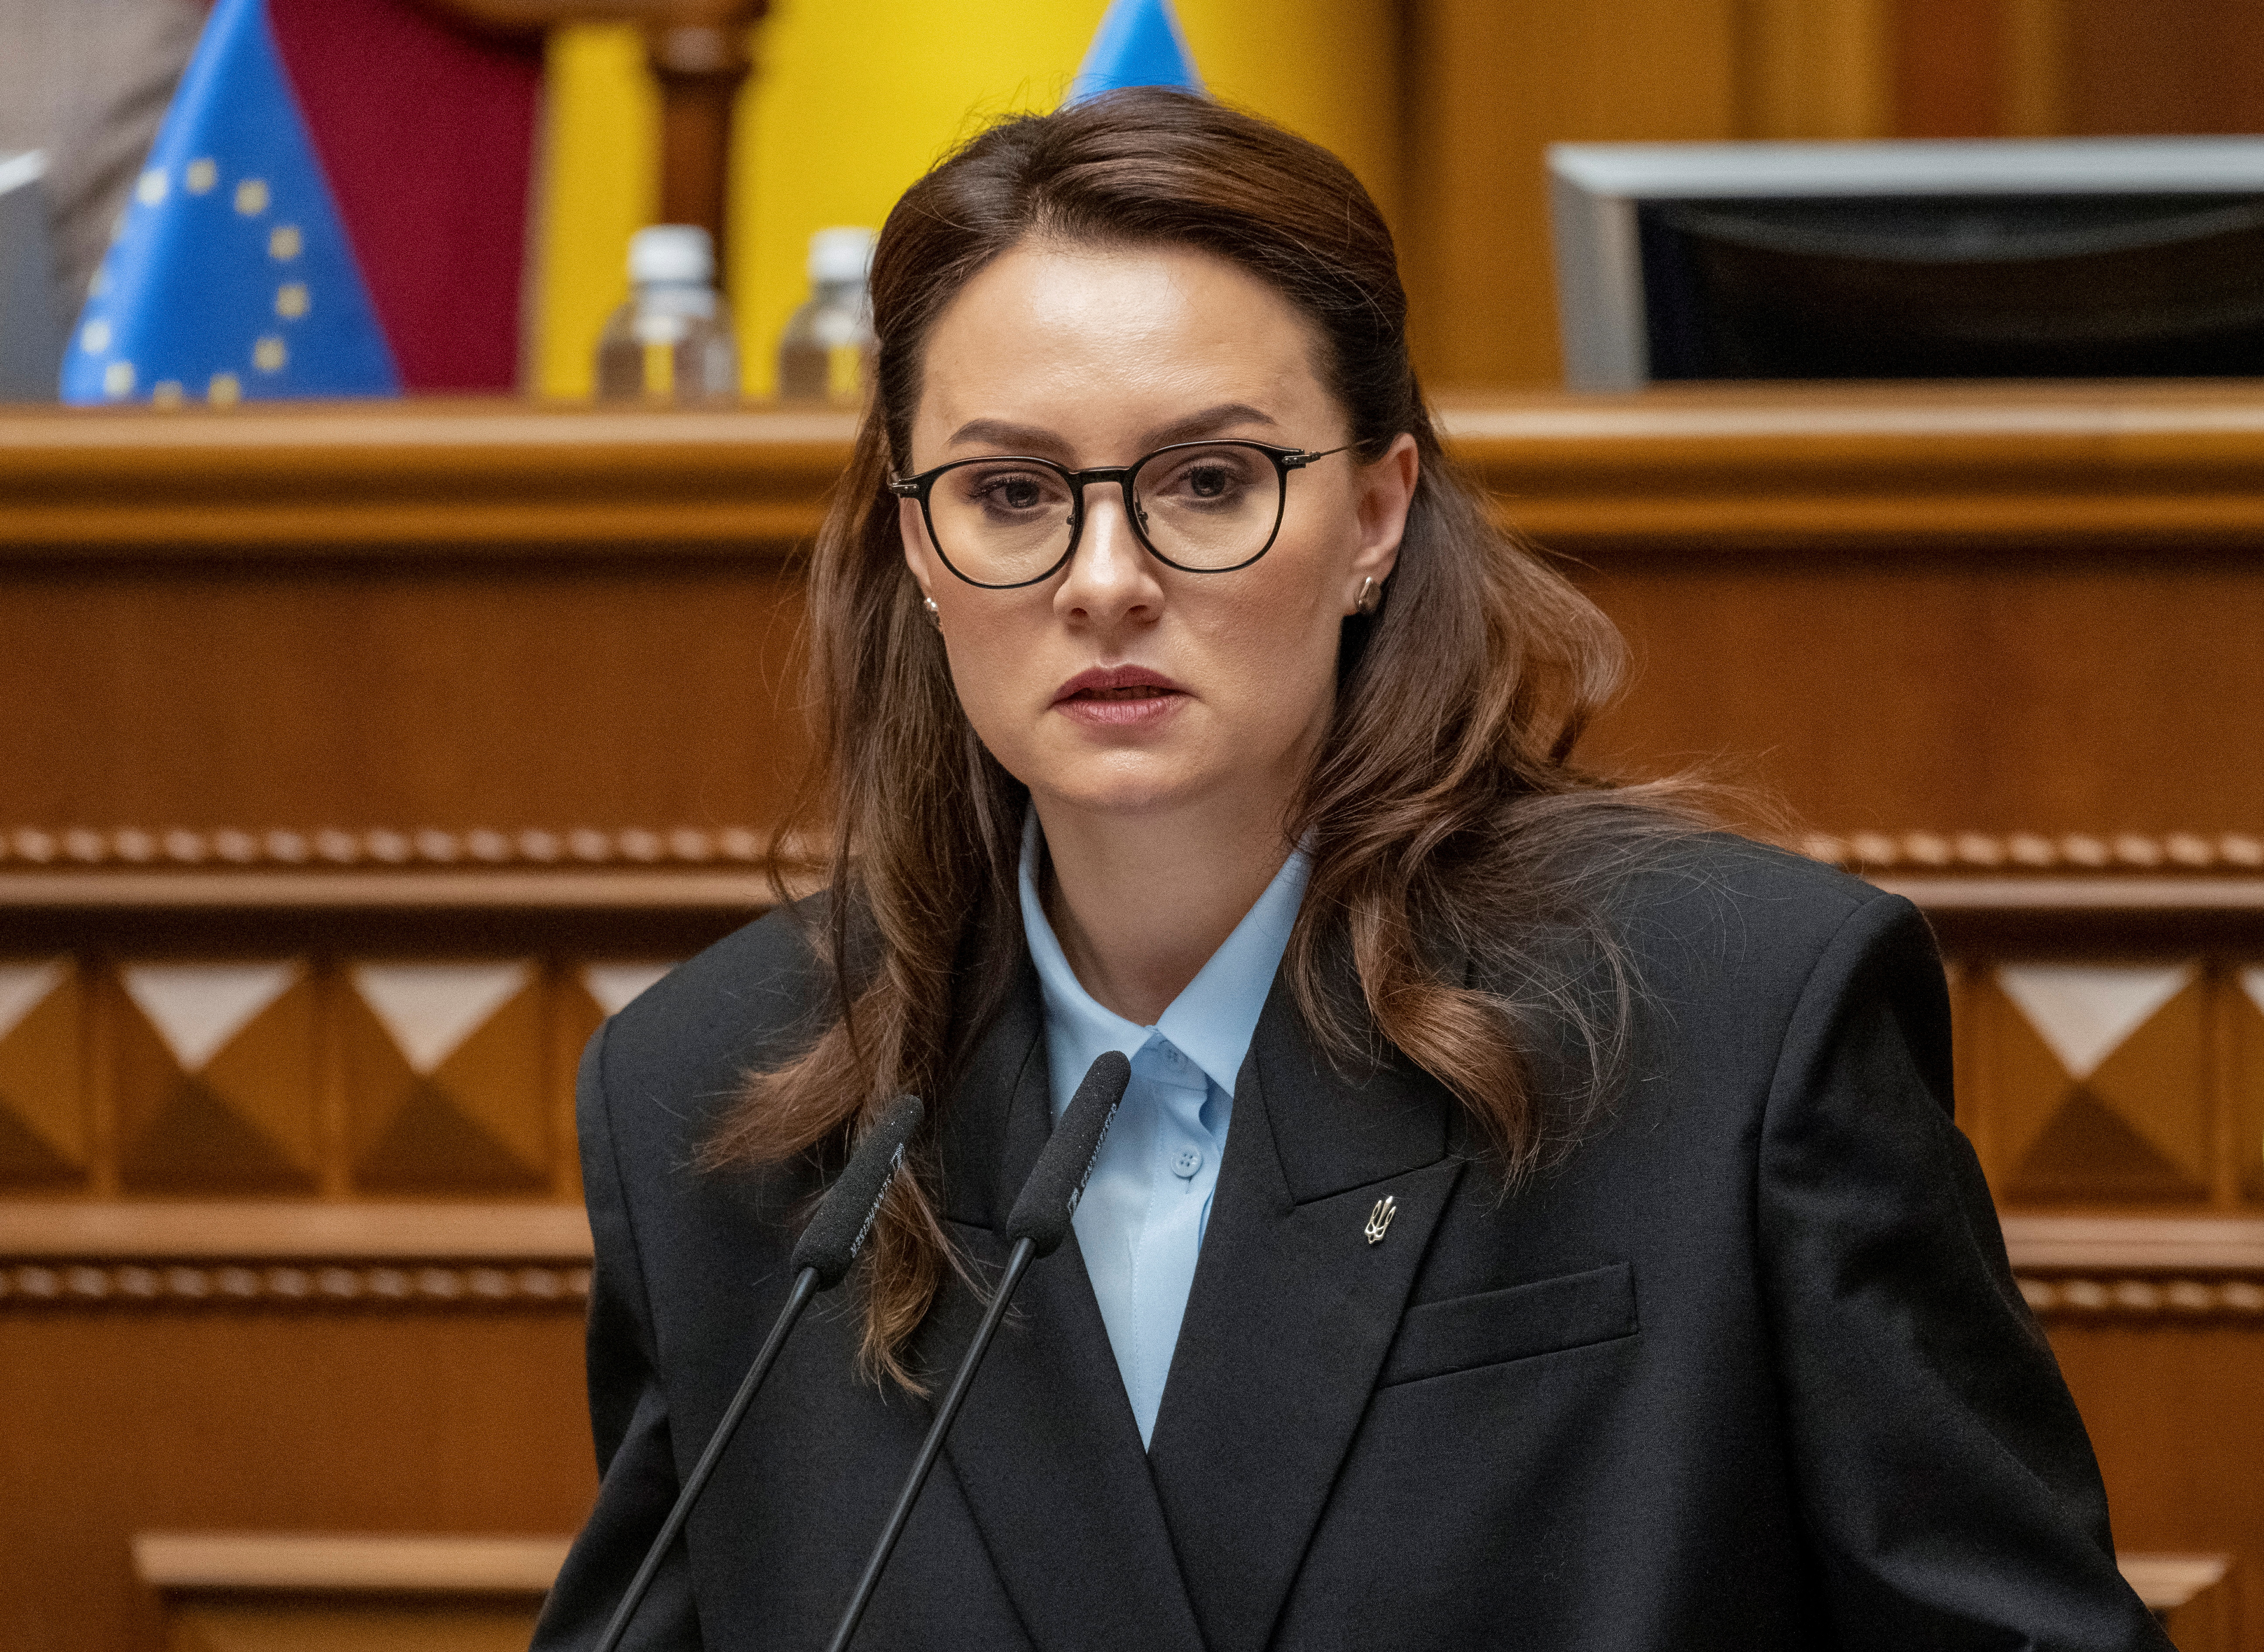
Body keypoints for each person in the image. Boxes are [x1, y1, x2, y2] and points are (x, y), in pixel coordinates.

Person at [534, 89, 2167, 1652]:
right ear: (920, 543)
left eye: (1208, 481)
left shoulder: (1732, 1023)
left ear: (1379, 513)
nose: (1106, 581)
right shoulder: (713, 1102)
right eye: (1014, 494)